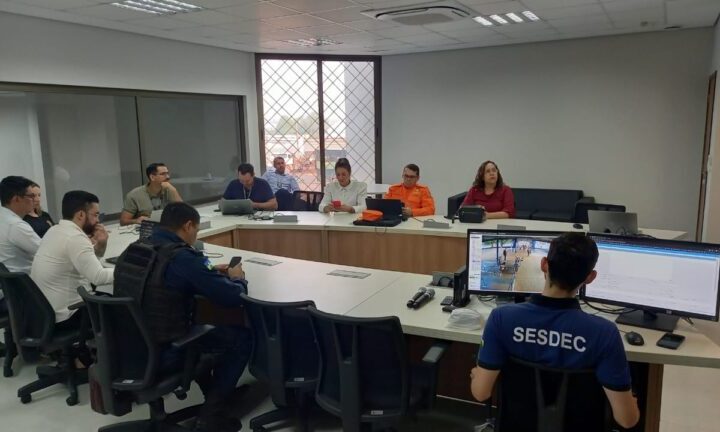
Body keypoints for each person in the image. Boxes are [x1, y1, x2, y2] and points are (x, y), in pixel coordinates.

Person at [469, 233, 640, 429]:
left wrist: (476, 375)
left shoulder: (501, 319)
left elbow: (480, 393)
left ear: (544, 265)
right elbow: (627, 420)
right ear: (590, 277)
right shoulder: (605, 333)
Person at [118, 202, 251, 432]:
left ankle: (213, 396)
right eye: (196, 231)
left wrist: (207, 270)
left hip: (126, 349)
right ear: (188, 226)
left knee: (204, 331)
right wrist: (238, 278)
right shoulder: (181, 258)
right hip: (163, 352)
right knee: (241, 338)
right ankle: (212, 414)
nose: (195, 235)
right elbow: (231, 297)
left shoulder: (135, 249)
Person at [32, 191, 113, 331]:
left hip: (46, 313)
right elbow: (98, 277)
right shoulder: (75, 238)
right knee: (128, 310)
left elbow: (85, 264)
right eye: (95, 215)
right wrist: (127, 270)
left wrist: (101, 244)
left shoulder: (55, 230)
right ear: (81, 214)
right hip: (69, 315)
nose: (98, 220)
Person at [0, 176, 42, 313]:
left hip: (8, 289)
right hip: (25, 292)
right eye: (30, 196)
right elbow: (47, 253)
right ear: (16, 199)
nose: (35, 200)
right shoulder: (16, 225)